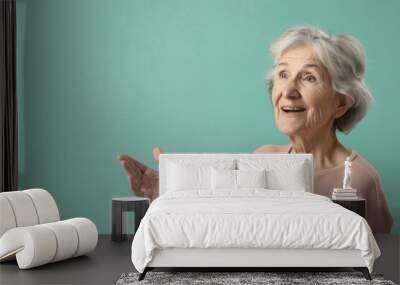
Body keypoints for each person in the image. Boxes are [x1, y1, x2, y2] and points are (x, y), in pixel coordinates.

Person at [117, 26, 393, 233]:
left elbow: (380, 263)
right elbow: (227, 218)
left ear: (341, 103)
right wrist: (170, 192)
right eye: (283, 74)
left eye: (309, 77)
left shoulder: (362, 178)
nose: (287, 90)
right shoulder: (263, 157)